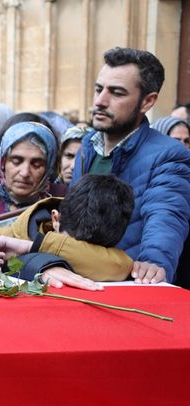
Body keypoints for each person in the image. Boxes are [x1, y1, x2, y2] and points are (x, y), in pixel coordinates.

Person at [71, 47, 190, 284]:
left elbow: (167, 215)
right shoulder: (86, 147)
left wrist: (153, 263)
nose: (100, 101)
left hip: (126, 286)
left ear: (147, 101)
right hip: (76, 281)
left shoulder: (169, 155)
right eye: (98, 89)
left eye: (117, 93)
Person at [0, 174, 134, 283]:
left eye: (87, 251)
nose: (77, 253)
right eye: (70, 244)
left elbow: (120, 265)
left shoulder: (107, 236)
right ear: (55, 219)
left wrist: (32, 247)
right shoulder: (6, 239)